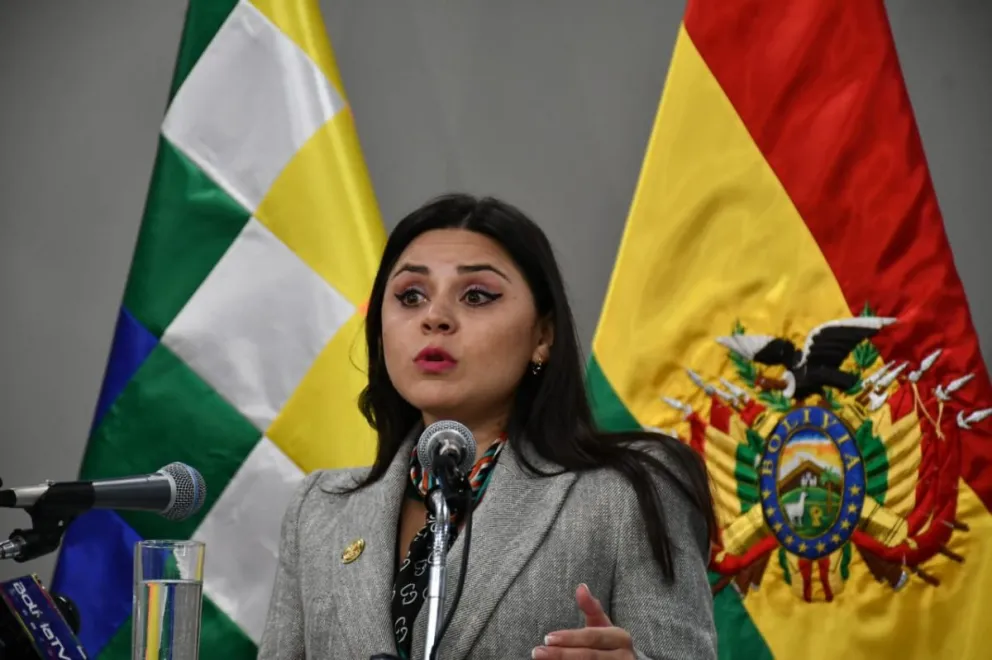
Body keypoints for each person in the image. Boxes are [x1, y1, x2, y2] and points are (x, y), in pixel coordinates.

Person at [257, 194, 718, 659]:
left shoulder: (628, 492)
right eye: (410, 296)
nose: (433, 317)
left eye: (476, 296)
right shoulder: (318, 512)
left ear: (543, 336)